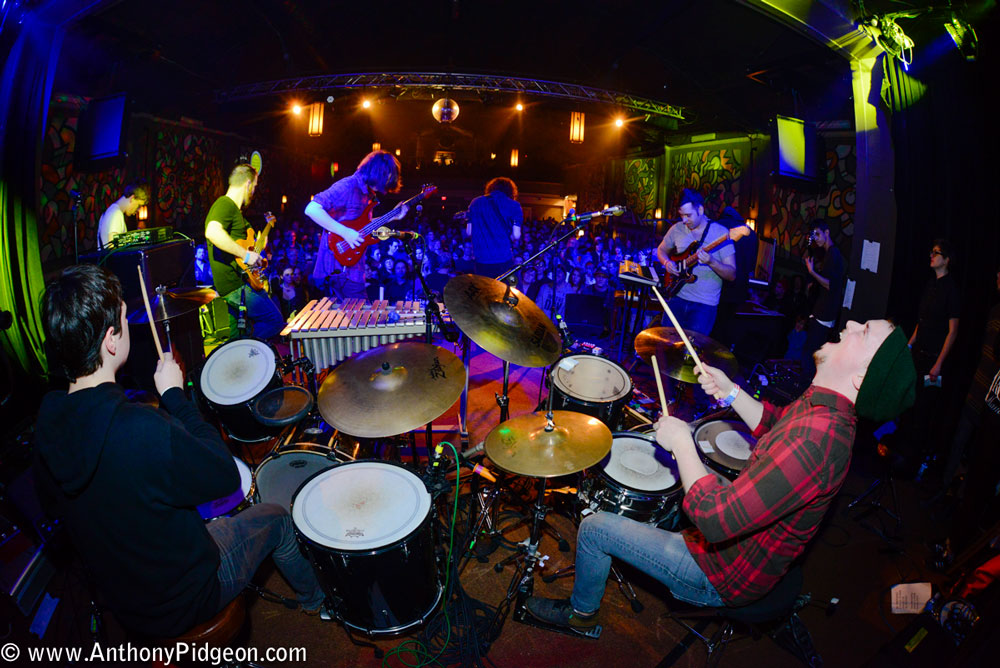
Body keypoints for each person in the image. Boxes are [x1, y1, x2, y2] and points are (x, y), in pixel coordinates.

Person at [526, 318, 915, 633]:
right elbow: (774, 423)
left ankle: (582, 616)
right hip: (736, 549)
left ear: (863, 377)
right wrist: (730, 392)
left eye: (864, 332)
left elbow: (715, 520)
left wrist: (682, 443)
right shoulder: (823, 408)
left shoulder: (818, 441)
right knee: (689, 479)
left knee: (595, 528)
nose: (849, 322)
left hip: (722, 574)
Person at [33, 265, 326, 637]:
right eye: (125, 319)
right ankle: (317, 600)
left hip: (125, 601)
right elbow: (222, 477)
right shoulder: (139, 428)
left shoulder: (47, 425)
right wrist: (174, 395)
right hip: (186, 597)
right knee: (277, 517)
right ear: (111, 340)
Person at [305, 150, 408, 300]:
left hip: (354, 269)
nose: (388, 183)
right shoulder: (348, 186)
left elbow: (362, 228)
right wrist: (345, 232)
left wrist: (391, 217)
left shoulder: (368, 194)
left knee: (353, 319)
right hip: (339, 269)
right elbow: (312, 209)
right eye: (389, 177)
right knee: (360, 319)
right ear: (379, 173)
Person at [204, 164, 284, 341]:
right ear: (248, 183)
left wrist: (257, 250)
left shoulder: (238, 214)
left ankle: (238, 357)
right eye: (254, 187)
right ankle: (245, 347)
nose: (254, 192)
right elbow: (212, 231)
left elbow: (250, 246)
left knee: (234, 337)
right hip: (237, 286)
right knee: (275, 321)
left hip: (234, 285)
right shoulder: (225, 204)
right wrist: (246, 255)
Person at [656, 189, 736, 335]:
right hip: (676, 298)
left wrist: (712, 262)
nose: (684, 220)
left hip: (704, 307)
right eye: (681, 215)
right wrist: (667, 263)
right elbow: (661, 251)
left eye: (688, 215)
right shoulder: (677, 229)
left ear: (700, 209)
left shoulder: (721, 234)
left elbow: (731, 274)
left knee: (691, 354)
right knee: (666, 347)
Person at [801, 221, 847, 377]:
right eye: (814, 236)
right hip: (822, 313)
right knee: (811, 354)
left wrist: (812, 272)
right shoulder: (829, 254)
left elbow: (830, 285)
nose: (816, 239)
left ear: (827, 233)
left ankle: (805, 392)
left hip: (824, 315)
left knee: (809, 356)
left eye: (818, 234)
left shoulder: (833, 254)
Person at [465, 177, 523, 278]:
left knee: (484, 291)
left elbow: (469, 232)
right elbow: (516, 235)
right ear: (510, 190)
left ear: (491, 188)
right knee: (506, 290)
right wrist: (511, 238)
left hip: (481, 258)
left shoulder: (475, 202)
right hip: (503, 258)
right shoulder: (514, 205)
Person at [97, 182, 149, 249]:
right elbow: (113, 251)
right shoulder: (116, 214)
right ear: (132, 198)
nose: (138, 210)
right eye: (139, 205)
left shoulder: (111, 211)